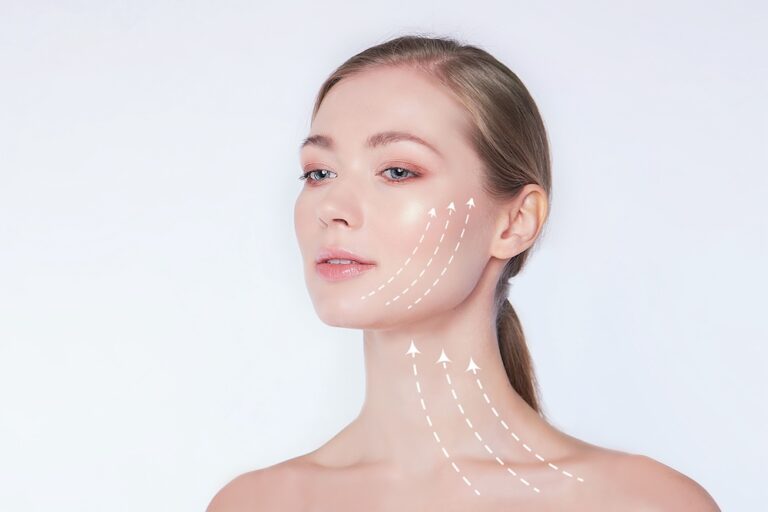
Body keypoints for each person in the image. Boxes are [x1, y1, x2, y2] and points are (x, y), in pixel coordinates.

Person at [207, 34, 720, 511]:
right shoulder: (254, 504)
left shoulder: (643, 503)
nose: (332, 207)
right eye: (319, 172)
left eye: (398, 171)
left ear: (516, 222)